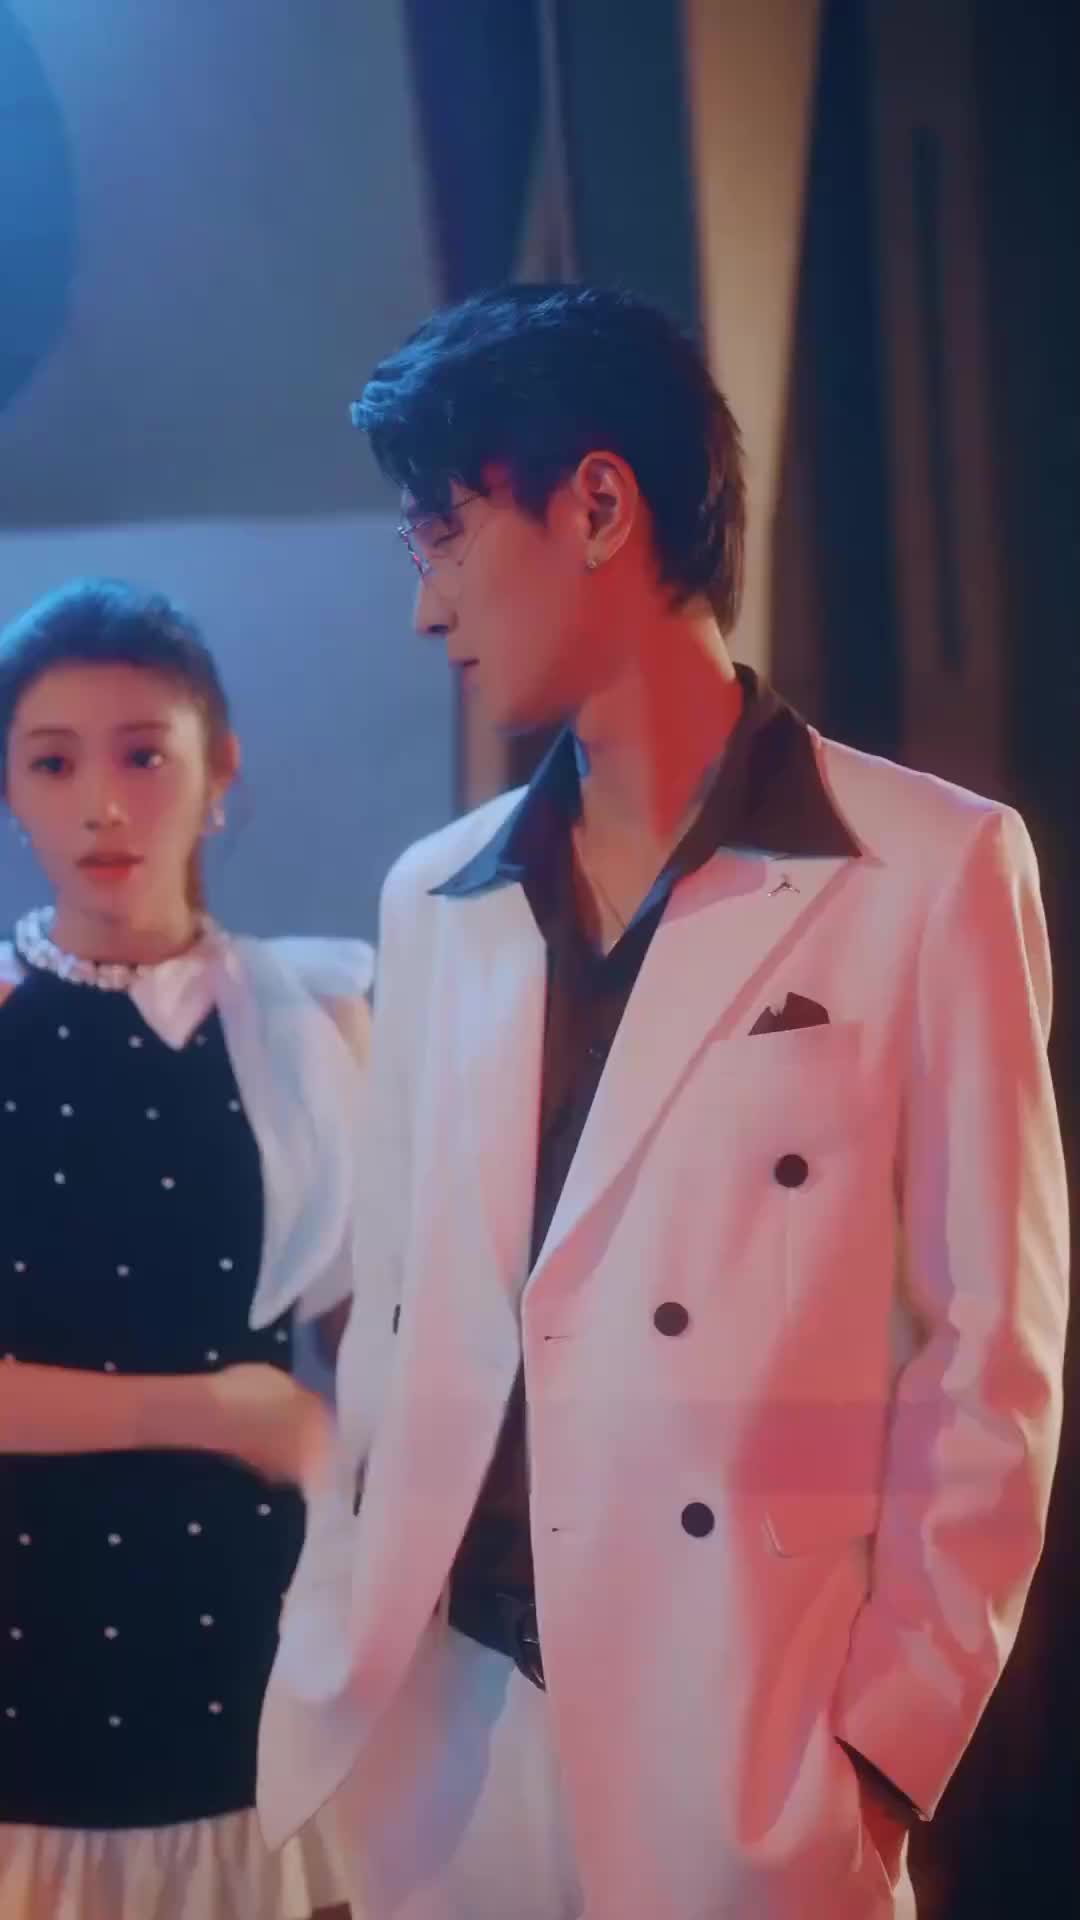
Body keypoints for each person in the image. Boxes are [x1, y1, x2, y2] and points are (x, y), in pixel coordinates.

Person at [259, 286, 1069, 1919]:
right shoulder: (437, 895)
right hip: (442, 1732)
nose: (424, 608)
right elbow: (397, 1329)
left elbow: (992, 1353)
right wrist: (332, 1670)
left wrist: (886, 1744)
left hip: (743, 1721)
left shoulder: (929, 868)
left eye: (443, 536)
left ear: (598, 506)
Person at [0, 578, 368, 1920]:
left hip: (253, 1635)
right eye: (54, 763)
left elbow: (375, 1349)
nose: (102, 803)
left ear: (220, 774)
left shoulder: (313, 1023)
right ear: (11, 791)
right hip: (26, 1633)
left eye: (144, 755)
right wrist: (222, 1412)